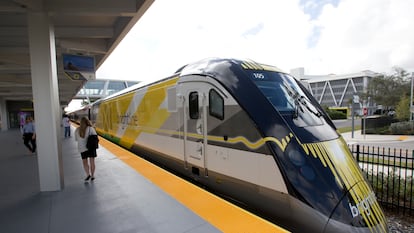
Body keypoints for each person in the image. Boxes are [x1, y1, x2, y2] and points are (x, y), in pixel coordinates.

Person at [74, 116, 97, 181]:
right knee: (92, 162)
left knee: (85, 162)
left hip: (82, 148)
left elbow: (76, 139)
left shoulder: (77, 130)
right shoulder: (91, 129)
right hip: (91, 148)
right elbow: (95, 137)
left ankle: (87, 174)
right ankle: (92, 176)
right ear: (87, 121)